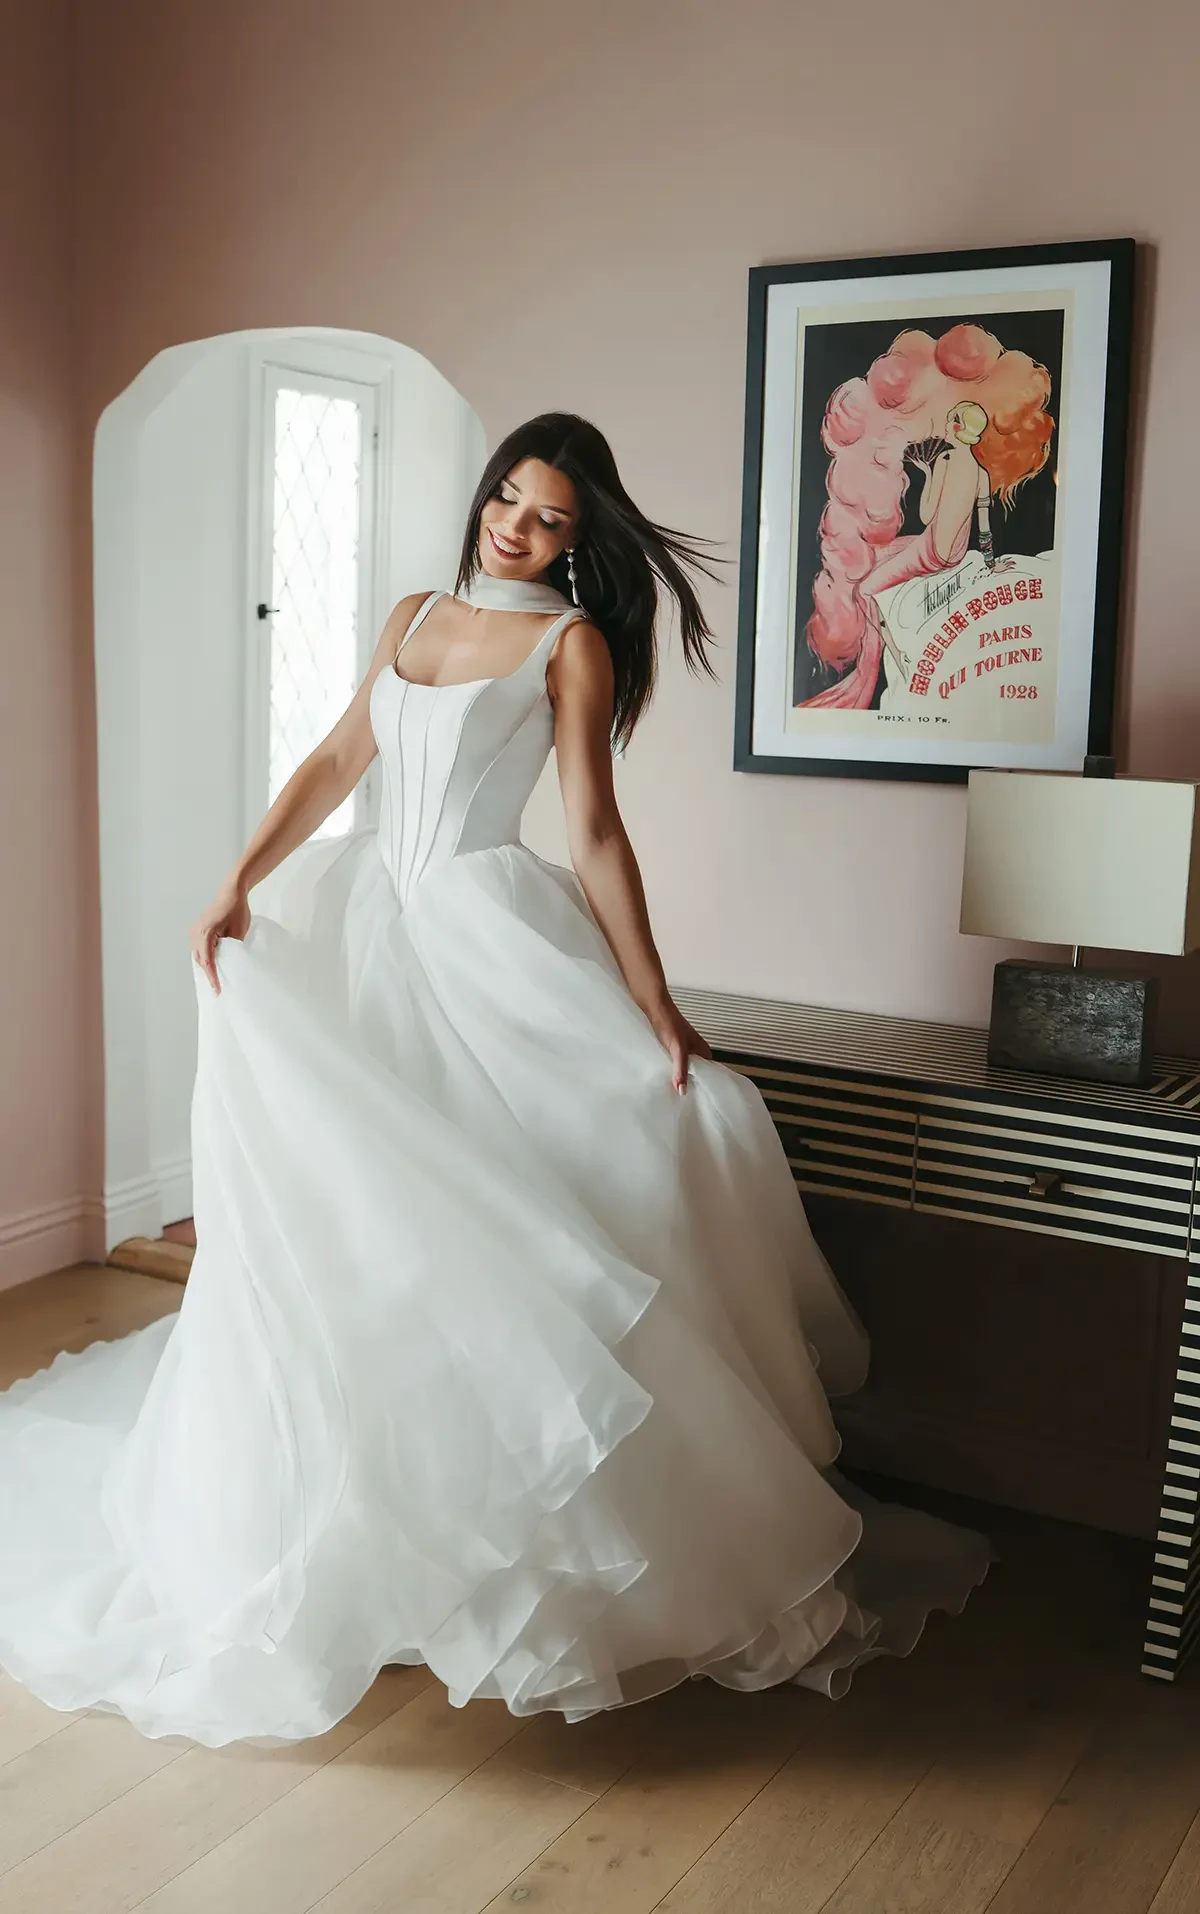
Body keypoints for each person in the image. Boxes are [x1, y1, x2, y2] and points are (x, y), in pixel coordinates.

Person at [0, 413, 991, 1748]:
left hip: (486, 940)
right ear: (485, 494)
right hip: (368, 928)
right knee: (366, 1233)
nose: (516, 530)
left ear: (581, 543)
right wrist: (238, 882)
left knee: (532, 1225)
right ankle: (356, 1522)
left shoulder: (568, 643)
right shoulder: (412, 611)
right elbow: (343, 759)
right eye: (508, 501)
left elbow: (590, 826)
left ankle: (529, 1547)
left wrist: (654, 1001)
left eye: (549, 521)